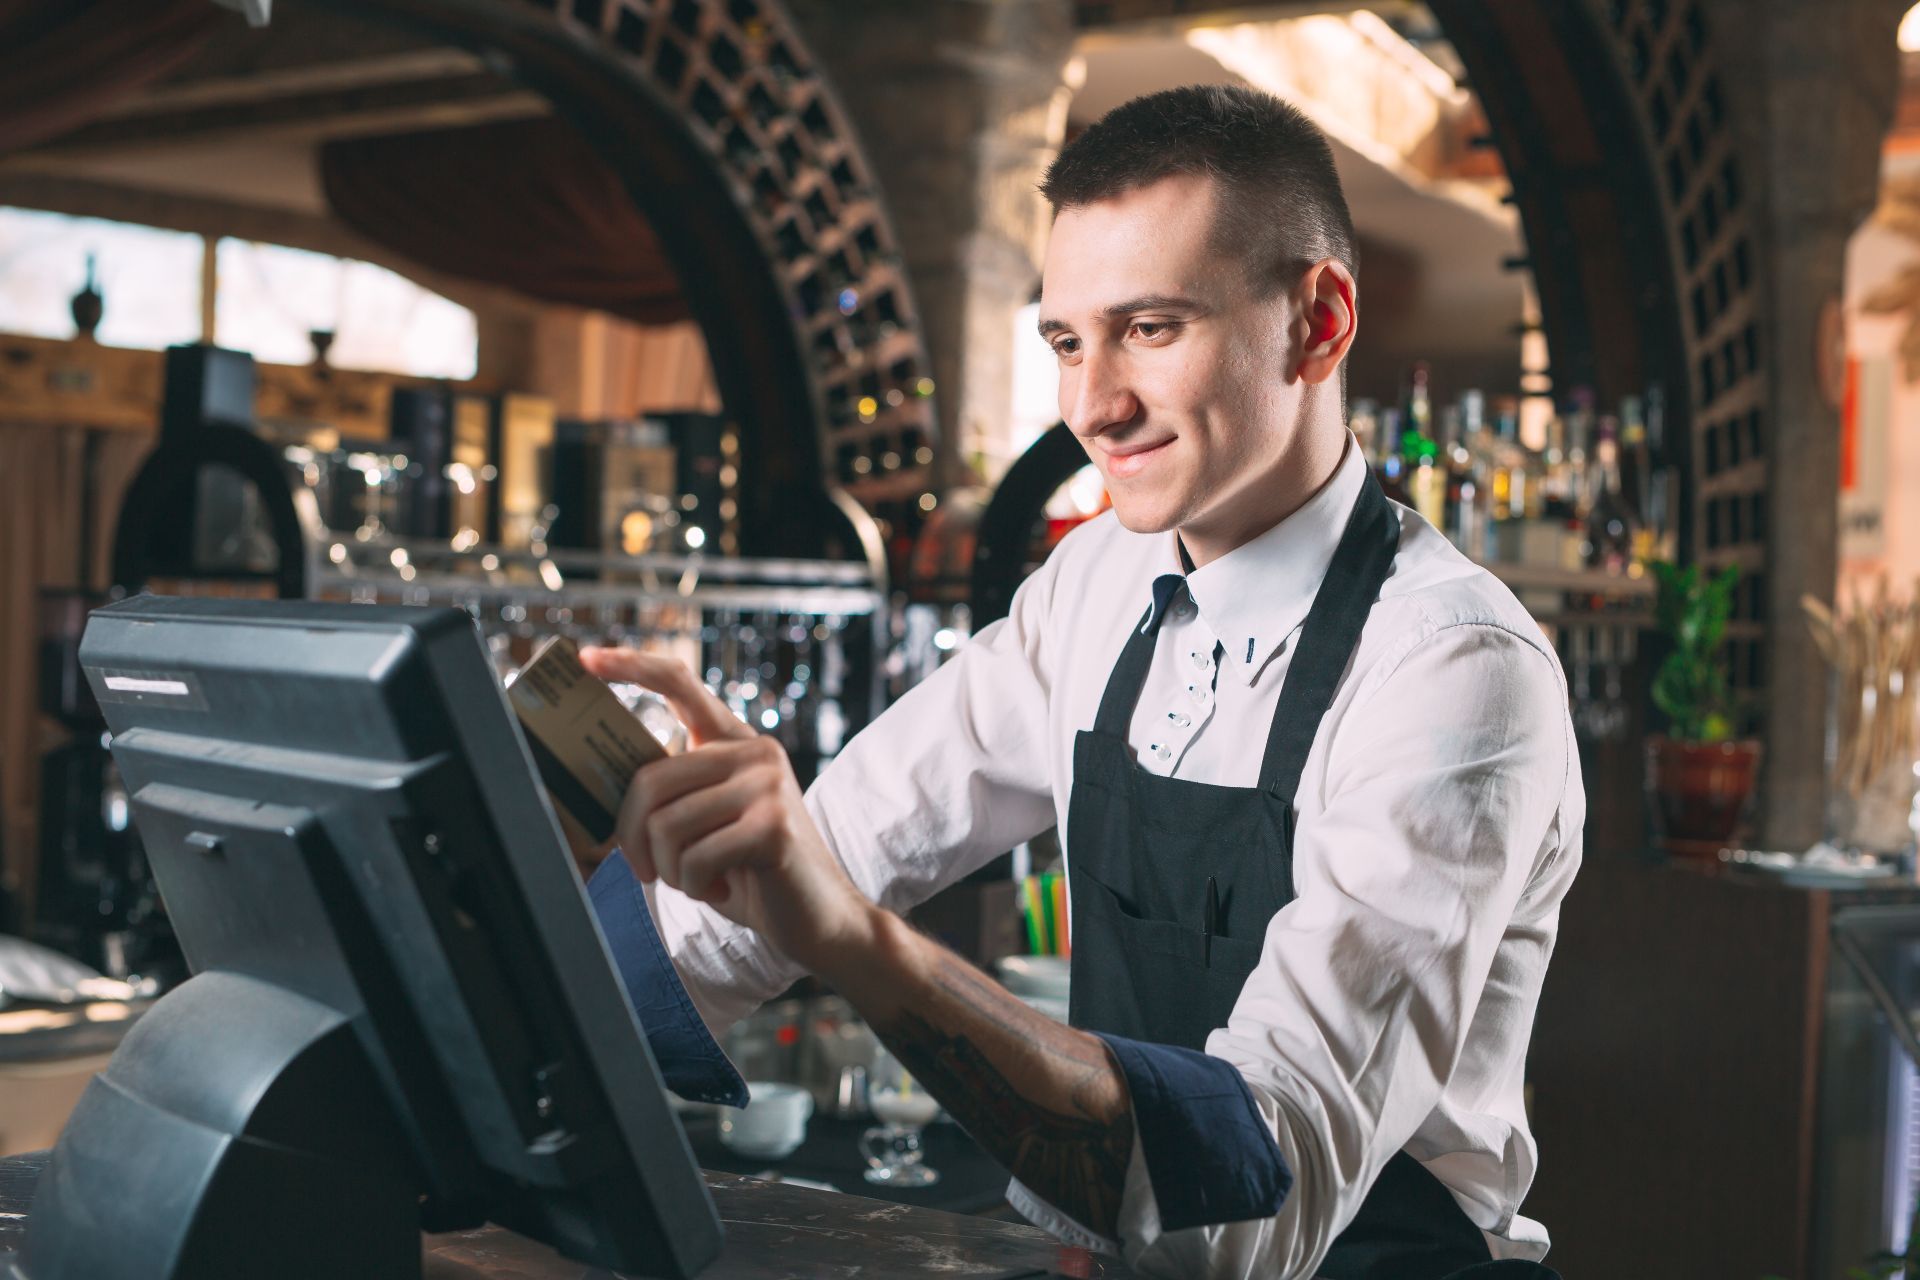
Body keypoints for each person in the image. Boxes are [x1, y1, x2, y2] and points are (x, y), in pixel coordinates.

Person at [577, 84, 1583, 1280]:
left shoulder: (1453, 667)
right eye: (1066, 340)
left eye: (1151, 328)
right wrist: (520, 1014)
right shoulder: (1094, 583)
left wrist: (854, 942)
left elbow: (1260, 1195)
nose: (1093, 405)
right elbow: (822, 849)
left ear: (1318, 322)